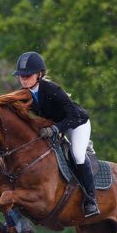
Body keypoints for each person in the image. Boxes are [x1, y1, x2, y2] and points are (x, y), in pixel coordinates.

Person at [12, 51, 100, 217]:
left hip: (77, 123)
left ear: (39, 74)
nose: (23, 79)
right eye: (21, 76)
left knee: (77, 155)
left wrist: (56, 129)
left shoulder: (52, 90)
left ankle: (91, 199)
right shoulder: (24, 94)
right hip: (56, 126)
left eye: (27, 75)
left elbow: (74, 115)